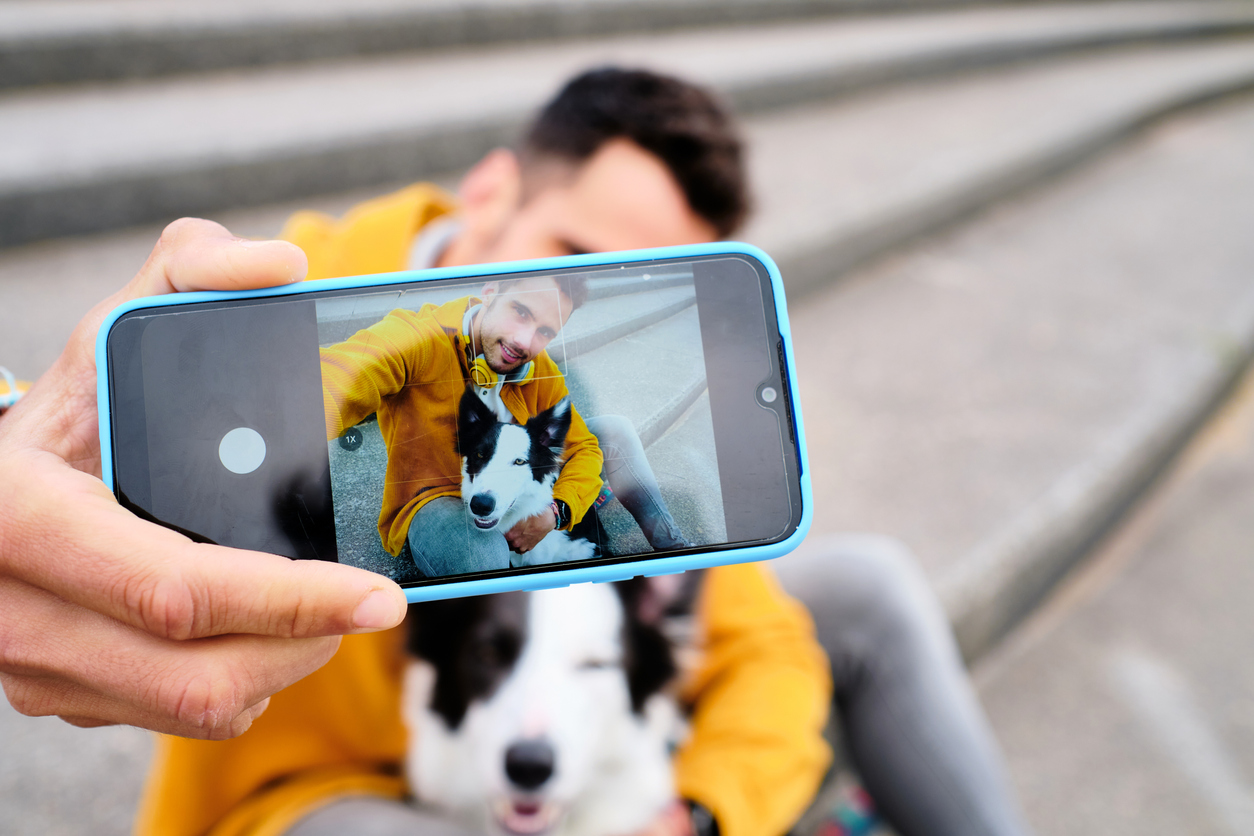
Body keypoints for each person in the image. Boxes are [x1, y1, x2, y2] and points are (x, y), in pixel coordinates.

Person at [318, 269, 691, 579]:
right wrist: (285, 418)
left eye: (545, 331)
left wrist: (555, 512)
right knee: (482, 558)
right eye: (522, 312)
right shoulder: (417, 338)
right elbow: (340, 375)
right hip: (440, 498)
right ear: (490, 291)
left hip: (517, 473)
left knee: (615, 431)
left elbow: (584, 447)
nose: (524, 341)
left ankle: (678, 554)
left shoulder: (536, 366)